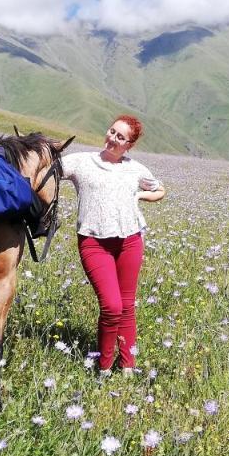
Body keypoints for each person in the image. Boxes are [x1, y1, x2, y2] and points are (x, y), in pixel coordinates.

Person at [60, 114, 166, 372]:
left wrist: (141, 194)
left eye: (121, 137)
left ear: (129, 145)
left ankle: (128, 367)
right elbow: (50, 171)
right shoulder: (82, 162)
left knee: (127, 306)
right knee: (111, 306)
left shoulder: (135, 168)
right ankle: (104, 368)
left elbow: (160, 190)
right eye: (112, 132)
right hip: (94, 243)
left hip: (130, 241)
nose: (113, 138)